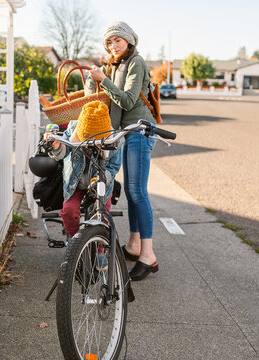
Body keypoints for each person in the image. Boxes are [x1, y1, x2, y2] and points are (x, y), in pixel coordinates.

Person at [85, 21, 159, 281]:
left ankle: (148, 256)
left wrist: (103, 80)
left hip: (140, 129)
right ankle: (135, 245)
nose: (113, 46)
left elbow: (127, 100)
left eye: (117, 41)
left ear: (128, 41)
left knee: (138, 192)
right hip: (127, 132)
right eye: (109, 42)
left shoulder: (136, 62)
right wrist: (96, 80)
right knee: (131, 190)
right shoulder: (115, 65)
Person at [47, 101, 122, 248]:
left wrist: (102, 178)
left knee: (102, 216)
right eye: (85, 140)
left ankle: (101, 250)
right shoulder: (73, 128)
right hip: (76, 182)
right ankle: (74, 240)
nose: (88, 145)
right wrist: (56, 147)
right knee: (69, 210)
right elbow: (64, 153)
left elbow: (113, 166)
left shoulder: (114, 139)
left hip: (101, 183)